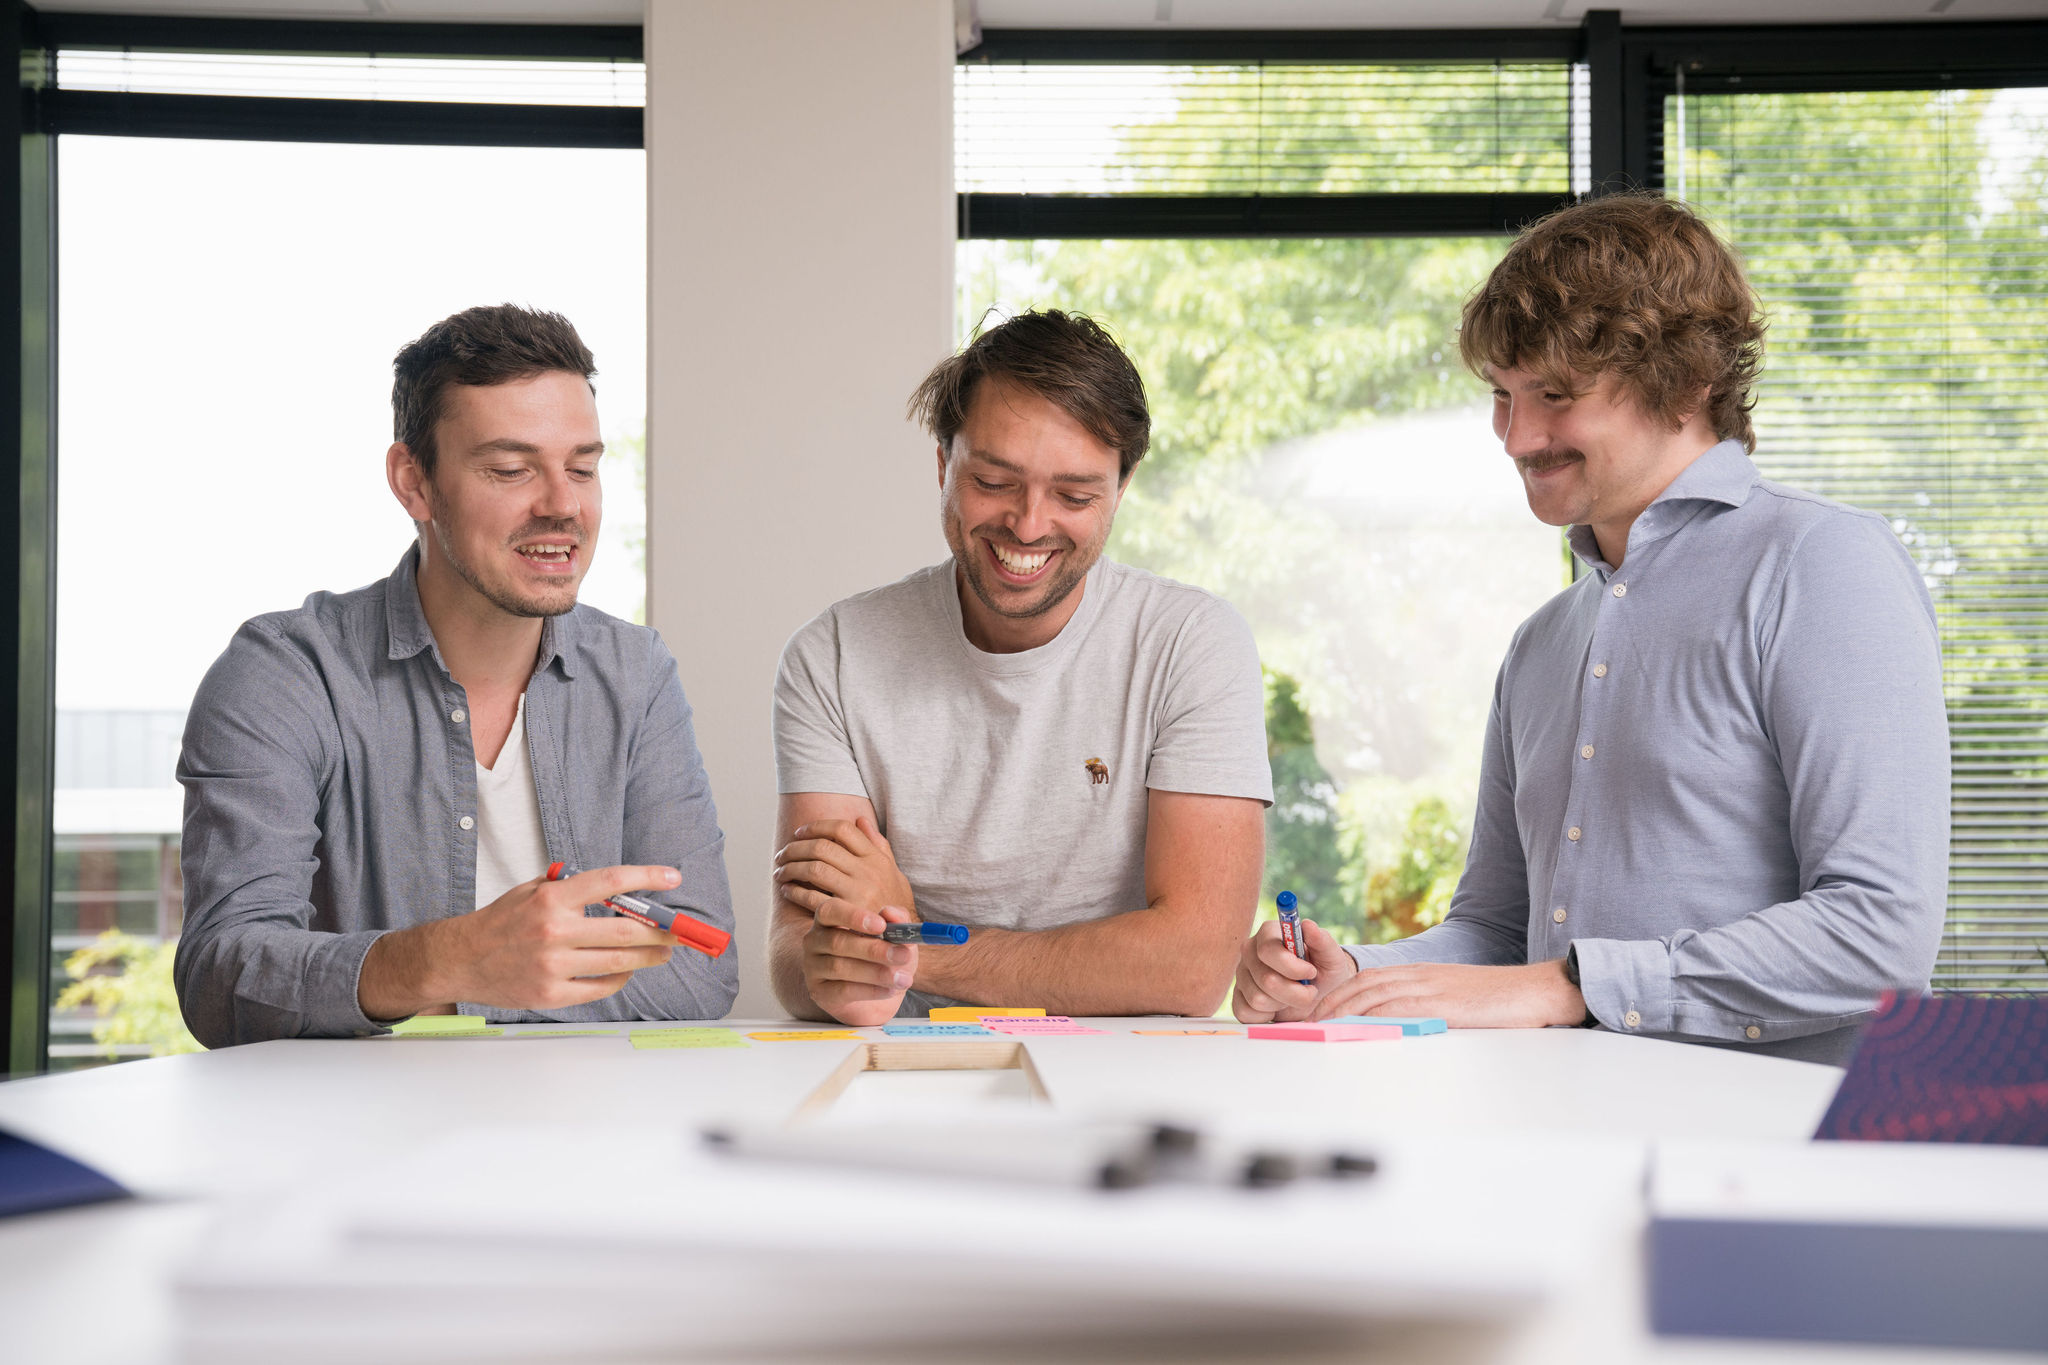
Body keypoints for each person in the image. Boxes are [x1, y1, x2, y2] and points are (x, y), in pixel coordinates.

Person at [1232, 194, 1949, 1065]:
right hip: (1558, 1141)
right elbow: (1501, 935)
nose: (1516, 436)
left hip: (1763, 1160)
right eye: (1503, 395)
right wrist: (1348, 975)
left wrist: (1573, 984)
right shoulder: (1542, 643)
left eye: (1557, 395)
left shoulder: (1823, 567)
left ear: (1688, 383)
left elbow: (1879, 938)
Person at [175, 305, 736, 1047]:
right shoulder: (285, 674)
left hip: (592, 1136)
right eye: (511, 469)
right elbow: (223, 976)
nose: (563, 505)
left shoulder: (636, 676)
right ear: (414, 482)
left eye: (583, 467)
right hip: (355, 1144)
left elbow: (701, 969)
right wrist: (452, 958)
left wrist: (457, 1000)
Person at [769, 310, 1273, 1026]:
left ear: (1121, 490)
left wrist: (911, 943)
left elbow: (1191, 966)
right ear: (944, 464)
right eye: (996, 480)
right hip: (905, 1070)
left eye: (1074, 496)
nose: (1029, 524)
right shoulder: (835, 655)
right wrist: (842, 968)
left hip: (1130, 1075)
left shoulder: (1192, 644)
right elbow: (801, 953)